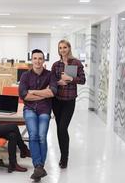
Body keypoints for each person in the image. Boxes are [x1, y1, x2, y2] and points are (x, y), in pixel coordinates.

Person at [19, 49, 57, 181]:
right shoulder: (25, 76)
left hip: (44, 109)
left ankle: (39, 168)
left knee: (41, 136)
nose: (37, 61)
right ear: (32, 60)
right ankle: (38, 167)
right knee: (33, 135)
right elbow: (24, 95)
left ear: (44, 60)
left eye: (40, 58)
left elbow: (52, 93)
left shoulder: (50, 75)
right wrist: (43, 93)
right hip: (29, 109)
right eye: (35, 58)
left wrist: (34, 92)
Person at [51, 40, 86, 169]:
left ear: (69, 48)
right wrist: (58, 82)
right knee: (60, 129)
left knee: (62, 128)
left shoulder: (76, 63)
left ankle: (64, 158)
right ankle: (62, 156)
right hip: (56, 101)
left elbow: (82, 80)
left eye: (65, 47)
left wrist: (70, 79)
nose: (62, 50)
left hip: (69, 101)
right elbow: (51, 81)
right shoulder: (56, 65)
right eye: (60, 48)